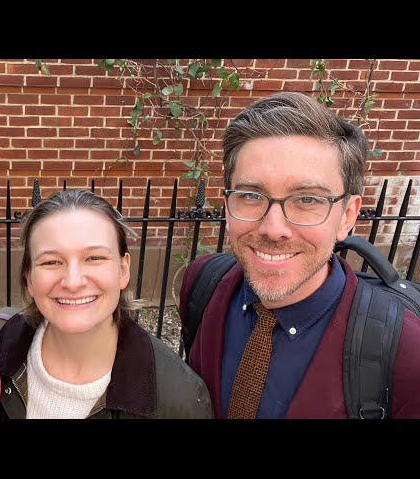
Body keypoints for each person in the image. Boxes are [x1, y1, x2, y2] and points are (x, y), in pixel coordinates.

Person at [180, 91, 420, 419]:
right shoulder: (202, 285)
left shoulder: (406, 350)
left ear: (347, 216)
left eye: (307, 200)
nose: (273, 228)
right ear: (227, 207)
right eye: (251, 195)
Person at [0, 189, 212, 418]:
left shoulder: (177, 399)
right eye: (51, 261)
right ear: (29, 278)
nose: (73, 281)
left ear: (123, 270)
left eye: (94, 258)